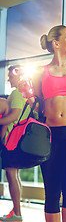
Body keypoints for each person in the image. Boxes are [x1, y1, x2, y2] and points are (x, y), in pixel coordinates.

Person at [26, 25, 66, 222]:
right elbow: (38, 107)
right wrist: (30, 101)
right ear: (56, 43)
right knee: (51, 189)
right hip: (49, 135)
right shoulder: (40, 72)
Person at [0, 65, 31, 222]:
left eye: (11, 76)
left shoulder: (17, 93)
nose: (8, 79)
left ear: (18, 77)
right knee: (15, 175)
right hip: (17, 140)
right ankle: (16, 211)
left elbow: (14, 116)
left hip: (11, 140)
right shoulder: (24, 94)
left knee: (11, 175)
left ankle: (17, 214)